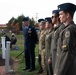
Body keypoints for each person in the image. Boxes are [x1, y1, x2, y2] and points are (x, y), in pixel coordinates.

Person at [54, 3, 76, 75]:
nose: (59, 17)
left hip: (67, 70)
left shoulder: (69, 30)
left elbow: (66, 54)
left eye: (61, 14)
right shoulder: (65, 29)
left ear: (67, 15)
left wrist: (59, 72)